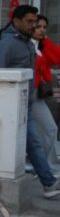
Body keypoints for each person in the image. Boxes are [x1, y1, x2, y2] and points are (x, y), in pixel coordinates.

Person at [0, 5, 60, 197]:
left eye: (35, 21)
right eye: (29, 21)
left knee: (33, 143)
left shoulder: (29, 44)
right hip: (10, 106)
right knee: (30, 143)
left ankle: (47, 181)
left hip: (27, 103)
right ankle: (46, 181)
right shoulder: (7, 45)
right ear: (16, 22)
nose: (33, 25)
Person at [31, 16, 60, 166]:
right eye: (38, 26)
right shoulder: (26, 45)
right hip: (28, 94)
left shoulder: (42, 46)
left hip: (38, 95)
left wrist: (46, 40)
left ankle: (41, 165)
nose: (41, 29)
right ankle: (40, 165)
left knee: (50, 129)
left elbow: (58, 57)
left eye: (44, 27)